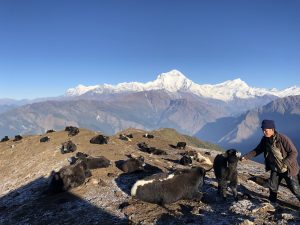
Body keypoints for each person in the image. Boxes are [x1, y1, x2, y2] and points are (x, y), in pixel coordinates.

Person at [241, 119, 300, 204]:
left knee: (295, 190)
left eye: (266, 130)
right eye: (263, 130)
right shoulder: (265, 140)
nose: (264, 132)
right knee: (273, 187)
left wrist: (285, 162)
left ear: (272, 129)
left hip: (288, 169)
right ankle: (273, 203)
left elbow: (294, 152)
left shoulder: (282, 138)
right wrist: (245, 157)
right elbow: (257, 150)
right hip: (275, 168)